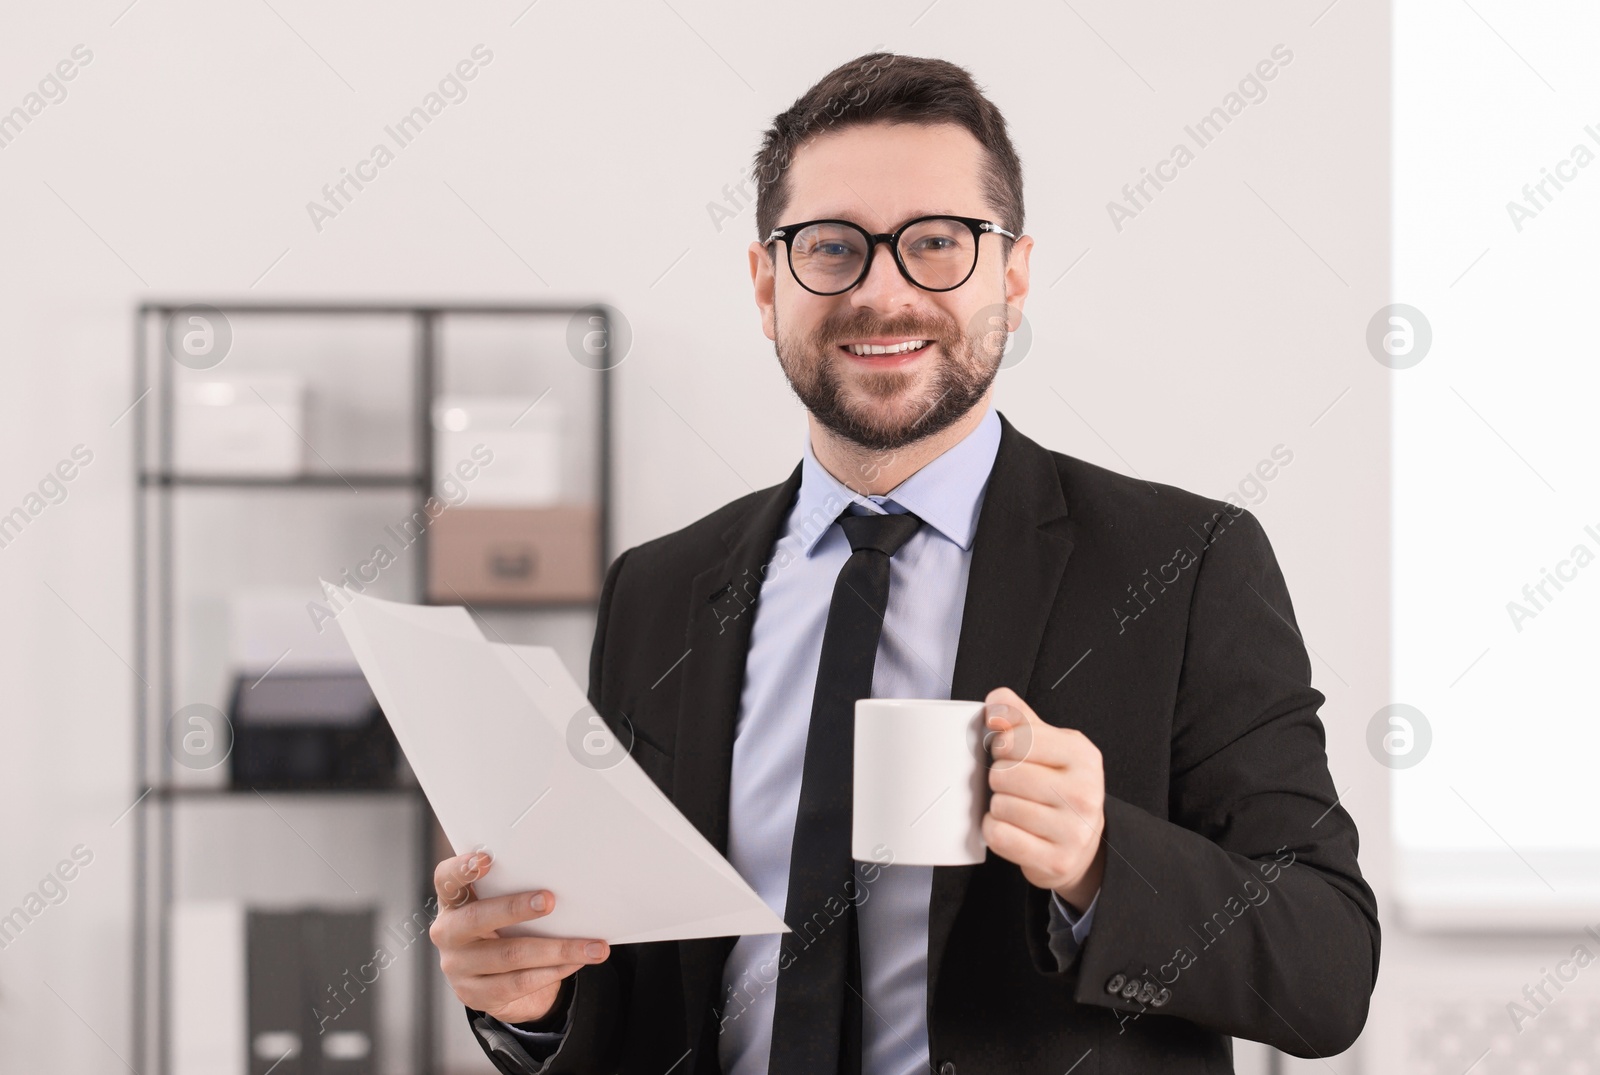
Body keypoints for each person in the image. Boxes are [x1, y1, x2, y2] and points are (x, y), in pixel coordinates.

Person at [429, 52, 1379, 1075]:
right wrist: (530, 998)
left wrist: (1103, 861)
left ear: (1010, 274)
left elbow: (1326, 969)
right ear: (765, 283)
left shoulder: (1183, 565)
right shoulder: (659, 589)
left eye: (937, 243)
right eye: (831, 247)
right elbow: (642, 988)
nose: (882, 294)